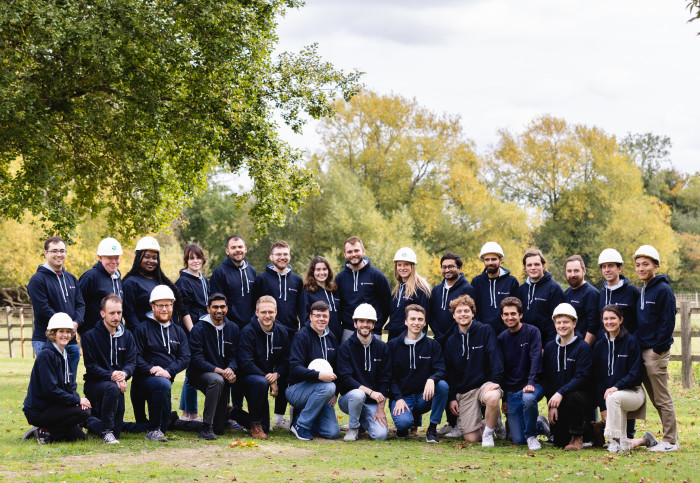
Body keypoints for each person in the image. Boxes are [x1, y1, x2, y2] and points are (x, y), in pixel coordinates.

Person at [251, 240, 303, 429]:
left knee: (285, 374)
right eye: (278, 254)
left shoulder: (297, 280)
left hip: (290, 334)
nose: (282, 257)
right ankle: (261, 416)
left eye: (285, 254)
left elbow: (300, 308)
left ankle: (280, 417)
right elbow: (254, 306)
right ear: (271, 257)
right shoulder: (262, 279)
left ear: (289, 256)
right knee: (263, 373)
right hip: (265, 333)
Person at [593, 305, 657, 453]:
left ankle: (612, 441)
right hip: (611, 398)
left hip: (633, 393)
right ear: (602, 321)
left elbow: (635, 374)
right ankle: (645, 440)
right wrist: (603, 407)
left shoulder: (631, 341)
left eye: (613, 318)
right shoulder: (599, 345)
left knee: (613, 397)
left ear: (621, 320)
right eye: (606, 319)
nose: (609, 322)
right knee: (624, 445)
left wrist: (617, 386)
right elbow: (596, 379)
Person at [634, 245, 679, 452]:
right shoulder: (644, 289)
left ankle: (670, 442)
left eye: (646, 264)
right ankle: (669, 438)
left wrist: (658, 350)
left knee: (662, 398)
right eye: (638, 265)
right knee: (655, 399)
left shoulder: (663, 290)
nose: (641, 268)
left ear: (655, 266)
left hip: (655, 351)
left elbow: (667, 322)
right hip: (644, 350)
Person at [131, 285, 190, 442]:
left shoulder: (178, 331)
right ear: (153, 306)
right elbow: (135, 357)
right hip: (143, 382)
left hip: (165, 381)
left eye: (168, 305)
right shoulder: (141, 329)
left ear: (172, 306)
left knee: (164, 426)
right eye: (160, 305)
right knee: (162, 385)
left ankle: (149, 427)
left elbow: (185, 357)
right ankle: (152, 430)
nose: (164, 309)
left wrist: (168, 371)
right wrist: (152, 369)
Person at [443, 295, 504, 447]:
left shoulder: (485, 330)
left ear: (472, 313)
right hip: (466, 391)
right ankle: (492, 419)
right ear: (454, 315)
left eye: (466, 311)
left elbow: (495, 357)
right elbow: (450, 373)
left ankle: (488, 433)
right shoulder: (451, 341)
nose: (463, 314)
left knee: (492, 397)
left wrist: (496, 381)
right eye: (459, 311)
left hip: (485, 384)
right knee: (471, 437)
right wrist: (452, 397)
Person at [22, 313, 91, 444]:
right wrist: (76, 400)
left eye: (68, 332)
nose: (65, 335)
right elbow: (50, 390)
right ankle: (44, 431)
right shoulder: (46, 355)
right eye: (61, 331)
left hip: (56, 406)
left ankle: (47, 431)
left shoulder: (65, 354)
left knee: (80, 437)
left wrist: (78, 401)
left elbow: (71, 385)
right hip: (39, 410)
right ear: (53, 333)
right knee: (84, 412)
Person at [81, 294, 138, 444]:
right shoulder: (90, 336)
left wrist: (124, 374)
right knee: (112, 388)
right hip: (95, 384)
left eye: (119, 312)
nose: (116, 317)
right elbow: (91, 367)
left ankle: (88, 421)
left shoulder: (128, 336)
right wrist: (113, 375)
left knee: (117, 432)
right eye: (112, 313)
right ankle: (106, 432)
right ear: (102, 313)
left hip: (118, 385)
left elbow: (132, 362)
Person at [388, 304, 448, 443]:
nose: (416, 322)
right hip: (403, 397)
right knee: (403, 423)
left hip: (423, 397)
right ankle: (405, 425)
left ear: (425, 322)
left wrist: (432, 379)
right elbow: (389, 376)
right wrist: (398, 398)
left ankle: (432, 429)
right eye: (413, 319)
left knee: (442, 386)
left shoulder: (433, 345)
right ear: (406, 321)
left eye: (420, 319)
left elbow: (440, 369)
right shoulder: (392, 345)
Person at [27, 236, 85, 377]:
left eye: (62, 251)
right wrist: (66, 326)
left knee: (69, 383)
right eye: (54, 251)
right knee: (50, 382)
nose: (59, 254)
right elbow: (43, 309)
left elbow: (80, 304)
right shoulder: (37, 280)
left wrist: (76, 323)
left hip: (70, 342)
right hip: (46, 341)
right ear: (45, 253)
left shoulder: (71, 279)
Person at [186, 293, 239, 440]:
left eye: (222, 307)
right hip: (199, 374)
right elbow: (196, 359)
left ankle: (176, 423)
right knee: (216, 380)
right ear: (208, 309)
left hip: (222, 376)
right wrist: (221, 371)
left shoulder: (233, 328)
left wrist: (231, 368)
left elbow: (235, 355)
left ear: (227, 308)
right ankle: (206, 428)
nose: (219, 310)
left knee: (219, 428)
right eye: (215, 307)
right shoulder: (198, 328)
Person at [286, 301, 340, 441]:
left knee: (332, 432)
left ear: (329, 317)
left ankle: (300, 415)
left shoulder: (331, 338)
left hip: (322, 392)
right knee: (328, 387)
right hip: (297, 390)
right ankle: (300, 425)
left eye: (324, 316)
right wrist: (319, 375)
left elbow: (337, 367)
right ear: (310, 317)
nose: (321, 319)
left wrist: (335, 393)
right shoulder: (301, 336)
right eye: (317, 315)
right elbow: (294, 368)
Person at [238, 296, 291, 439]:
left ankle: (233, 413)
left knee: (266, 428)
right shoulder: (247, 332)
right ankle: (255, 425)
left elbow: (285, 360)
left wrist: (276, 374)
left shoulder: (281, 332)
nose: (267, 316)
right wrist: (269, 379)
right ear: (256, 313)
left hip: (264, 379)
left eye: (270, 312)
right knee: (260, 382)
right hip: (246, 378)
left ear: (276, 312)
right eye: (263, 312)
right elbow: (246, 363)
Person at [542, 303, 593, 450]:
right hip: (559, 401)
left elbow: (582, 378)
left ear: (574, 323)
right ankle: (591, 431)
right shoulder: (550, 347)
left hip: (580, 399)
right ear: (554, 324)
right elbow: (548, 379)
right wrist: (552, 405)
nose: (562, 326)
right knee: (560, 442)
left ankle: (577, 437)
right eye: (558, 322)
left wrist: (561, 392)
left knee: (573, 396)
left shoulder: (583, 347)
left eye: (566, 322)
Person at [337, 304, 390, 441]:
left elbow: (385, 379)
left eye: (369, 321)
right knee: (358, 394)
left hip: (372, 403)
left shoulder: (382, 348)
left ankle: (362, 422)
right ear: (355, 324)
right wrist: (370, 392)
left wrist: (380, 408)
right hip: (349, 399)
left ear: (373, 325)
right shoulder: (345, 347)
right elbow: (345, 378)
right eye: (361, 321)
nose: (365, 325)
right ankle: (353, 428)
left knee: (380, 435)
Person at [497, 297, 543, 450]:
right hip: (512, 391)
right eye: (506, 314)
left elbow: (536, 358)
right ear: (502, 316)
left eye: (513, 314)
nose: (509, 317)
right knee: (518, 439)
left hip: (533, 384)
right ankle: (540, 425)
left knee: (528, 398)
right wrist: (504, 398)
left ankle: (532, 436)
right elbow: (502, 370)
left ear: (520, 315)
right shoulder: (501, 339)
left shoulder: (532, 332)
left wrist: (531, 382)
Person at [175, 243, 210, 422]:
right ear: (186, 261)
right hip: (191, 331)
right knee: (193, 371)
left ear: (203, 260)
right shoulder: (183, 281)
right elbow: (184, 310)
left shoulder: (204, 280)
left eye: (198, 258)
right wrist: (193, 332)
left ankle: (185, 412)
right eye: (191, 258)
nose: (195, 261)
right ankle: (192, 413)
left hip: (203, 330)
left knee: (192, 370)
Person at [335, 236, 391, 341]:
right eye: (349, 252)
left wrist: (376, 324)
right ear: (345, 254)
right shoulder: (340, 278)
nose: (353, 254)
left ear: (363, 251)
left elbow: (386, 305)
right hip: (348, 331)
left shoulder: (377, 276)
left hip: (373, 331)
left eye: (356, 250)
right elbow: (338, 307)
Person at [122, 236, 180, 332]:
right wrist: (142, 335)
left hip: (164, 334)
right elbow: (129, 315)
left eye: (155, 258)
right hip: (142, 336)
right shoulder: (130, 283)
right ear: (138, 257)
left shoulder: (161, 281)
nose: (151, 261)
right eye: (147, 257)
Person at [516, 249, 565, 345]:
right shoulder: (521, 290)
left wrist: (547, 346)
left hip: (546, 344)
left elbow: (559, 320)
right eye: (529, 265)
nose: (533, 268)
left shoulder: (554, 289)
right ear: (525, 268)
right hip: (524, 343)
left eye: (536, 264)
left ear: (543, 266)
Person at [209, 235, 257, 329]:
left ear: (245, 249)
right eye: (233, 247)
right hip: (229, 327)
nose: (237, 250)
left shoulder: (251, 271)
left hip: (250, 327)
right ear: (227, 251)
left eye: (240, 247)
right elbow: (216, 303)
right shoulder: (219, 272)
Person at [471, 242, 519, 335]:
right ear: (483, 261)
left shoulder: (511, 281)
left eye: (493, 259)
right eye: (487, 259)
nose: (490, 263)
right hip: (482, 333)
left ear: (500, 260)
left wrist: (506, 330)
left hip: (507, 333)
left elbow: (516, 308)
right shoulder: (476, 282)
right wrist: (480, 328)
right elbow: (473, 308)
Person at [78, 237, 124, 334]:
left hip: (115, 335)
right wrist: (84, 333)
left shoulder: (117, 277)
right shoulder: (91, 277)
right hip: (93, 335)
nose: (113, 262)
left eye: (116, 258)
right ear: (100, 258)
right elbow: (78, 304)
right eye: (109, 258)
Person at [385, 247, 431, 341]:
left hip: (410, 339)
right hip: (393, 339)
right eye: (399, 265)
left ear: (412, 266)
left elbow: (424, 318)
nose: (402, 268)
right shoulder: (396, 290)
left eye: (406, 264)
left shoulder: (421, 289)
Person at [429, 252, 475, 343]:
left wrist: (446, 337)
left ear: (459, 268)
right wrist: (438, 335)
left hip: (457, 340)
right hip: (438, 340)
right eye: (444, 267)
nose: (447, 270)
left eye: (450, 267)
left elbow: (467, 317)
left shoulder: (467, 289)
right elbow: (431, 316)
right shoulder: (436, 290)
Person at [597, 248, 640, 335]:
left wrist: (633, 340)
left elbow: (640, 320)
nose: (607, 270)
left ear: (619, 268)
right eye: (604, 266)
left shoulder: (632, 292)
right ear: (601, 271)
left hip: (628, 342)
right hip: (605, 342)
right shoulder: (601, 294)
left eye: (610, 266)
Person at [301, 256, 342, 341]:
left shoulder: (334, 290)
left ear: (328, 271)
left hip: (336, 338)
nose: (322, 272)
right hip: (317, 338)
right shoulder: (307, 292)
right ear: (313, 272)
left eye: (324, 269)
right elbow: (304, 319)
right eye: (318, 270)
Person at [563, 255, 599, 345]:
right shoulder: (567, 292)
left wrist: (584, 348)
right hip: (569, 345)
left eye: (576, 271)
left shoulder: (591, 293)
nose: (572, 275)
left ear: (584, 271)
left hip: (583, 346)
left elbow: (594, 326)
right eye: (569, 271)